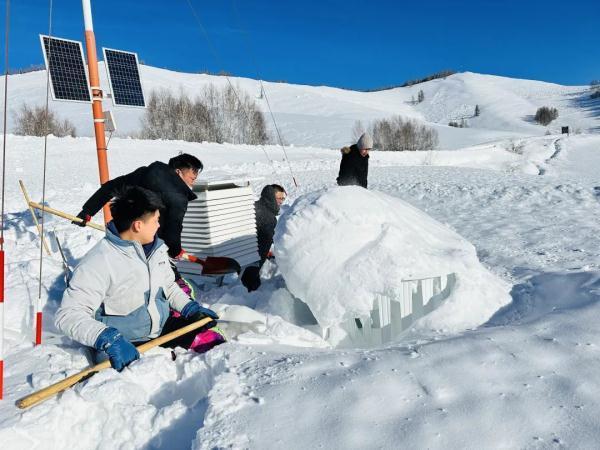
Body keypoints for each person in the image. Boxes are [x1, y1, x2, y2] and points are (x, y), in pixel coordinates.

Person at [55, 187, 224, 371]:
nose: (159, 226)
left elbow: (168, 286)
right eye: (156, 220)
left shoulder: (156, 249)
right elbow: (68, 315)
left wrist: (189, 308)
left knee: (214, 344)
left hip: (161, 327)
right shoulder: (98, 262)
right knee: (150, 375)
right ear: (138, 225)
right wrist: (107, 338)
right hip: (124, 342)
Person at [73, 153, 202, 261]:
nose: (193, 182)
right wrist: (175, 250)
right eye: (191, 178)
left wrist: (88, 211)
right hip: (147, 243)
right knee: (159, 277)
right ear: (178, 172)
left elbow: (111, 186)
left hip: (121, 234)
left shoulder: (145, 173)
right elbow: (173, 229)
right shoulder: (179, 198)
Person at [241, 184, 287, 292]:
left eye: (283, 198)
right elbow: (260, 249)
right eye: (279, 198)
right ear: (271, 197)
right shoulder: (268, 218)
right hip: (249, 268)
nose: (281, 202)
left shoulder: (255, 207)